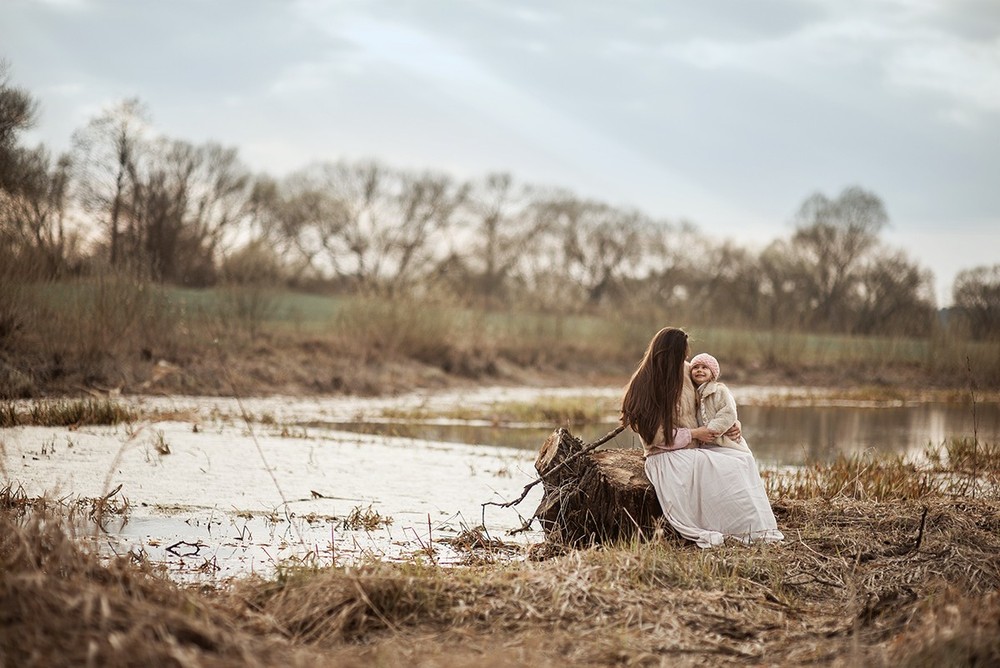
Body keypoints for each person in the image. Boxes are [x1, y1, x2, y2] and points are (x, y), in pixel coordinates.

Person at [620, 327, 783, 548]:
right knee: (722, 468)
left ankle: (754, 525)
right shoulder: (644, 383)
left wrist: (731, 423)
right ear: (670, 354)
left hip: (694, 448)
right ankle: (735, 526)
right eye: (682, 354)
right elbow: (655, 437)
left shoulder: (688, 371)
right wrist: (694, 434)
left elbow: (711, 400)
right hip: (667, 456)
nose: (687, 358)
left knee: (740, 458)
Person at [689, 352, 751, 453]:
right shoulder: (693, 393)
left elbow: (728, 413)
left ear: (712, 374)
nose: (699, 370)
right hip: (705, 443)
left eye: (704, 367)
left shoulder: (719, 390)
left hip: (725, 442)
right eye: (696, 367)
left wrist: (710, 431)